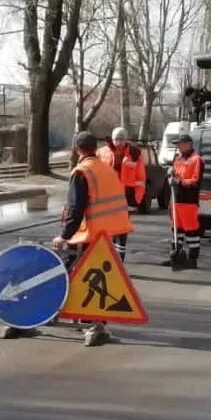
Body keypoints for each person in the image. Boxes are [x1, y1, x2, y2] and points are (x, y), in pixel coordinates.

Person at [51, 131, 136, 346]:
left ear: (77, 149)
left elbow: (75, 208)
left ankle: (54, 310)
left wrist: (64, 236)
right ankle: (94, 321)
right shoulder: (106, 169)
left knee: (68, 273)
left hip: (89, 234)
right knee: (97, 279)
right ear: (95, 148)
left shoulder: (82, 172)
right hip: (109, 233)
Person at [97, 126, 147, 250]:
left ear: (126, 140)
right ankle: (109, 252)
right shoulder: (102, 152)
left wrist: (135, 198)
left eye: (121, 140)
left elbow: (141, 179)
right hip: (106, 197)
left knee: (121, 228)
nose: (119, 143)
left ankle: (119, 254)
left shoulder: (134, 154)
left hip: (125, 197)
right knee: (106, 227)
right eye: (116, 140)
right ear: (112, 139)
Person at [163, 133, 204, 270]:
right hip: (176, 199)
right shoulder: (178, 158)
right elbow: (174, 174)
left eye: (180, 144)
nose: (178, 147)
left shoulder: (197, 160)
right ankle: (175, 256)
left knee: (191, 231)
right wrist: (170, 174)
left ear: (188, 144)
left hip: (188, 200)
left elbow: (195, 181)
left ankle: (192, 259)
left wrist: (179, 182)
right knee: (177, 230)